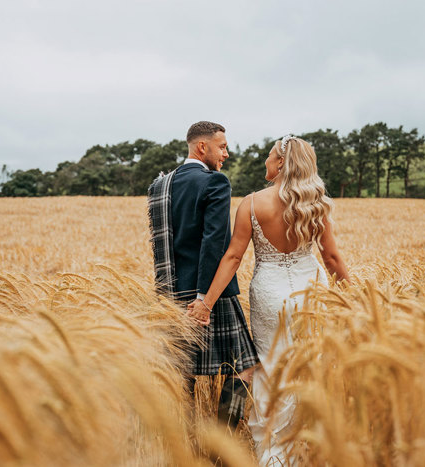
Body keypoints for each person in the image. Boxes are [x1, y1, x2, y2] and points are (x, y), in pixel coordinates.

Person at [188, 135, 350, 464]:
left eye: (269, 155)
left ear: (279, 164)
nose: (265, 160)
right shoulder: (316, 202)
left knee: (270, 366)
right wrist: (356, 299)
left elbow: (233, 257)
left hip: (269, 294)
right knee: (308, 366)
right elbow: (331, 258)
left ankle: (273, 452)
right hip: (312, 293)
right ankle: (306, 446)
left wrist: (205, 302)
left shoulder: (252, 203)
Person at [147, 121, 259, 430]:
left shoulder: (161, 185)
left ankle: (185, 444)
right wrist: (203, 300)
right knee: (244, 369)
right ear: (202, 147)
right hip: (210, 292)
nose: (226, 152)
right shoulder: (215, 183)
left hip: (171, 294)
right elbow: (214, 244)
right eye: (222, 146)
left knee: (182, 375)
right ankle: (219, 445)